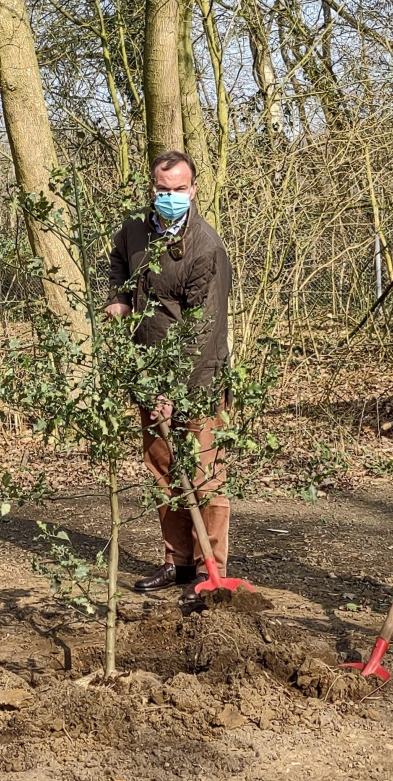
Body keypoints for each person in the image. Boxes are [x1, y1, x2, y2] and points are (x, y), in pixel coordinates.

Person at [105, 150, 233, 603]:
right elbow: (119, 261)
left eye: (180, 190)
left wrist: (174, 392)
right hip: (148, 369)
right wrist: (120, 296)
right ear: (152, 189)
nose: (172, 197)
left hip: (197, 378)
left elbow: (203, 330)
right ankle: (177, 561)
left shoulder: (206, 248)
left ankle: (208, 569)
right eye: (164, 190)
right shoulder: (136, 227)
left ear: (194, 189)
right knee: (162, 468)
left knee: (203, 474)